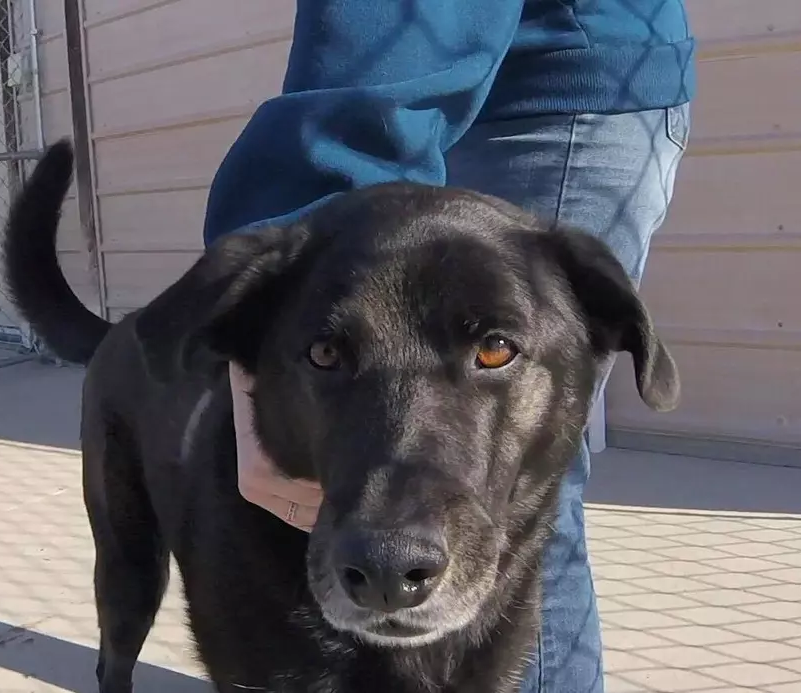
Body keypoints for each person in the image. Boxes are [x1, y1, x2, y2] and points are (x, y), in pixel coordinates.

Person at [203, 1, 694, 690]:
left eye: (493, 352)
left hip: (555, 76)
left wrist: (309, 213)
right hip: (430, 79)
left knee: (523, 491)